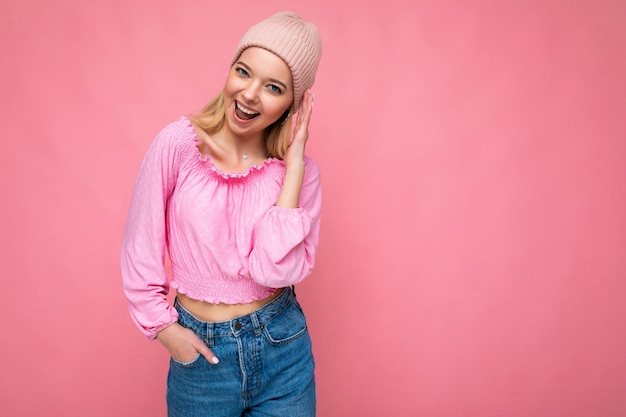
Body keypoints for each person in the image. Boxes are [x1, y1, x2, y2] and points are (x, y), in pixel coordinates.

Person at [120, 11, 322, 417]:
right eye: (243, 71)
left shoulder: (299, 175)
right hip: (202, 356)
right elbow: (139, 244)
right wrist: (164, 329)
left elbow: (273, 272)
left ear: (292, 103)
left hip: (284, 350)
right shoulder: (178, 144)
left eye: (273, 87)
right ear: (230, 69)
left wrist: (294, 169)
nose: (249, 94)